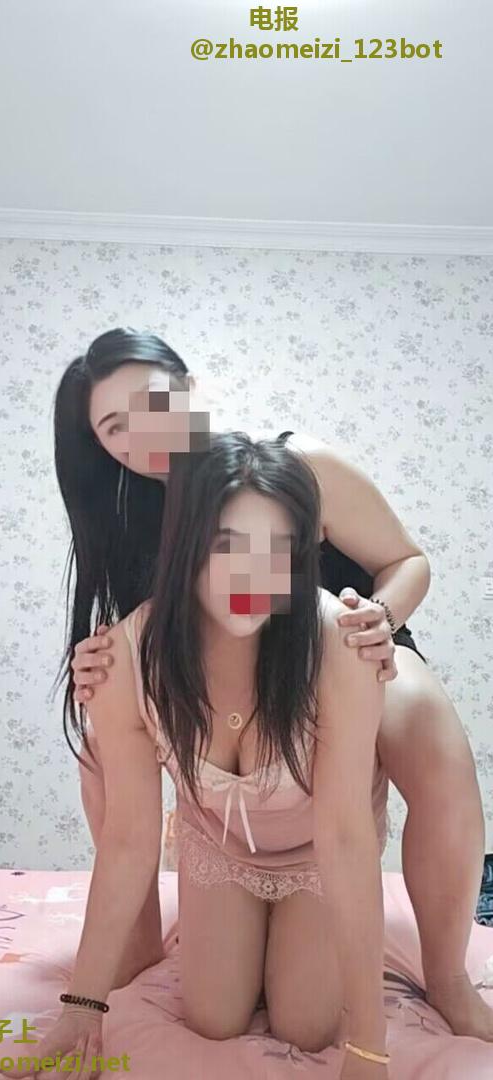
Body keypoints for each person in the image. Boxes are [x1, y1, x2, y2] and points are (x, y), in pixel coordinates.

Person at [55, 327, 490, 1040]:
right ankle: (138, 938)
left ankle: (447, 976)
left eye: (151, 402)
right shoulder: (136, 518)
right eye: (114, 426)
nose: (142, 431)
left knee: (420, 722)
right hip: (219, 674)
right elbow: (144, 635)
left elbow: (407, 559)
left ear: (190, 390)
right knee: (100, 744)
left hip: (344, 638)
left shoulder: (297, 463)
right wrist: (99, 665)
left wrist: (378, 620)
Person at [9, 432, 393, 1080]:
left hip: (316, 849)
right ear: (184, 545)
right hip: (220, 845)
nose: (252, 576)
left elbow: (345, 837)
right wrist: (83, 1006)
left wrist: (368, 1047)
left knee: (306, 1025)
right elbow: (128, 839)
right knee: (213, 1016)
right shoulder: (127, 656)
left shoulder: (337, 643)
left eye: (277, 549)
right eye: (226, 546)